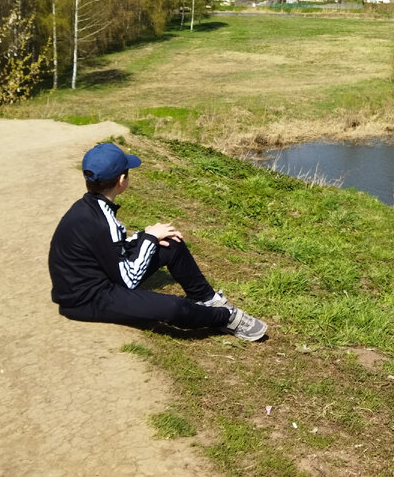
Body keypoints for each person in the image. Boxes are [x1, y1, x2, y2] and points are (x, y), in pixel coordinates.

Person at [49, 142, 266, 341]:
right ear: (122, 182)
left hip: (101, 276)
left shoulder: (88, 207)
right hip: (86, 300)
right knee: (174, 308)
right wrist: (150, 238)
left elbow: (112, 249)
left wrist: (147, 236)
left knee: (170, 242)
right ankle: (226, 317)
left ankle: (207, 298)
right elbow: (128, 280)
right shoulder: (101, 222)